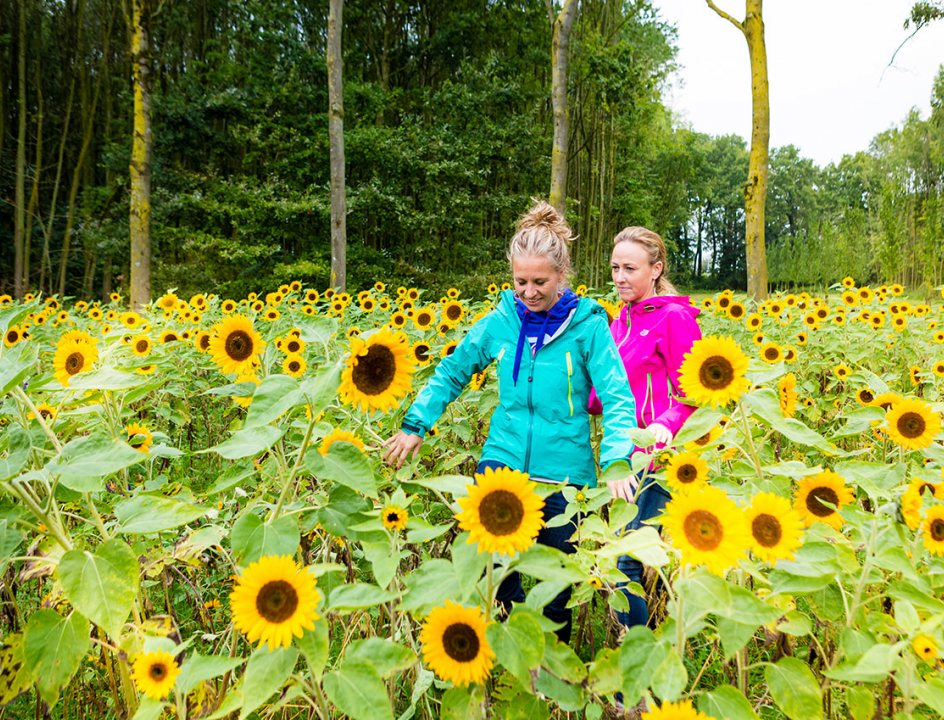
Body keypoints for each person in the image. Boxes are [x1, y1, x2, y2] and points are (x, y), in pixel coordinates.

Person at [383, 201, 639, 643]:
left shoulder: (589, 328)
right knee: (494, 573)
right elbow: (452, 371)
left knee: (558, 583)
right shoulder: (501, 321)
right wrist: (415, 423)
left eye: (540, 282)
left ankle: (551, 674)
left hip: (565, 477)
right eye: (521, 281)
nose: (529, 291)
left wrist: (617, 459)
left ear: (563, 275)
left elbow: (618, 397)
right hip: (501, 464)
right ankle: (509, 650)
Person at [589, 226, 702, 630]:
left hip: (658, 458)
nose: (620, 277)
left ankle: (637, 672)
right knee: (621, 561)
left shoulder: (674, 319)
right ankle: (636, 663)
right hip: (623, 456)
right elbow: (609, 395)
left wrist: (664, 425)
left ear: (656, 269)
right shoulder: (619, 323)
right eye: (615, 268)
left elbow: (694, 393)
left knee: (625, 562)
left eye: (630, 268)